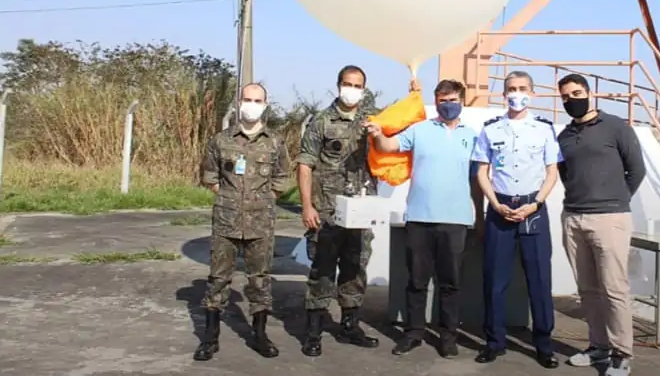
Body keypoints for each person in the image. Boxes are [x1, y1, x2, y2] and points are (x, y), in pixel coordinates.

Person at [363, 79, 484, 359]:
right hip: (419, 218)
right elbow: (390, 147)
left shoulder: (474, 136)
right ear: (436, 101)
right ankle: (414, 333)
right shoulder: (420, 130)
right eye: (442, 99)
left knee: (450, 283)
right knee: (417, 281)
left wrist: (480, 216)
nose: (447, 104)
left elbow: (478, 179)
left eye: (452, 99)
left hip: (456, 221)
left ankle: (448, 336)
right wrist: (379, 133)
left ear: (462, 101)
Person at [555, 73, 645, 376]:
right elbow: (566, 174)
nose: (572, 100)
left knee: (614, 289)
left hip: (610, 218)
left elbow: (637, 169)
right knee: (588, 289)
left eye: (577, 93)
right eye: (566, 97)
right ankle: (598, 347)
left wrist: (615, 200)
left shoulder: (616, 126)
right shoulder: (564, 136)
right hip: (574, 218)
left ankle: (622, 353)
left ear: (590, 93)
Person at [471, 71, 561, 369]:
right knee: (495, 281)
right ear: (503, 94)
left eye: (522, 88)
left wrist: (536, 203)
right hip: (500, 210)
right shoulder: (491, 130)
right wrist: (494, 204)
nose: (516, 93)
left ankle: (544, 344)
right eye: (511, 89)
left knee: (539, 279)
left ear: (532, 93)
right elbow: (482, 170)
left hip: (532, 209)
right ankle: (494, 342)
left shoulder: (544, 129)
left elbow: (552, 171)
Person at [194, 82, 290, 362]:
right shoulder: (220, 140)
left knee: (259, 280)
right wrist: (229, 198)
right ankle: (210, 340)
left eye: (257, 100)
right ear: (238, 102)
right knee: (218, 279)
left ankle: (259, 335)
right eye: (247, 99)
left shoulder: (275, 141)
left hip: (260, 222)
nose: (251, 104)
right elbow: (209, 176)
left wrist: (264, 199)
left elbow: (282, 177)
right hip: (226, 220)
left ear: (265, 104)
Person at [296, 65, 380, 357]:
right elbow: (305, 164)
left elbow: (392, 150)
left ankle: (349, 326)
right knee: (322, 271)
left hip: (360, 210)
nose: (352, 89)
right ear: (338, 85)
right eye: (347, 83)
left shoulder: (372, 122)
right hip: (327, 211)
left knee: (355, 268)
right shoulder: (321, 121)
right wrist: (307, 206)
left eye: (357, 85)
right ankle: (314, 332)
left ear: (364, 89)